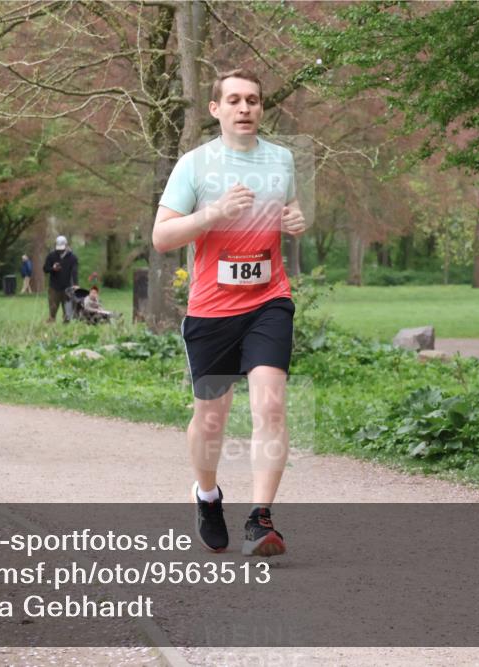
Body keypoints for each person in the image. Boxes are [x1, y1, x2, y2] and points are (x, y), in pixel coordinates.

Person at [151, 68, 307, 557]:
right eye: (235, 100)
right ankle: (208, 495)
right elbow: (162, 237)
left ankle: (260, 520)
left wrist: (296, 220)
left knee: (270, 405)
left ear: (262, 108)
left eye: (254, 101)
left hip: (269, 300)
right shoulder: (194, 165)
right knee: (211, 421)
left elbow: (289, 211)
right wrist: (213, 215)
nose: (245, 109)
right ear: (216, 109)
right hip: (212, 309)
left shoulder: (281, 160)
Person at [42, 235, 78, 323]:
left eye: (62, 248)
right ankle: (51, 322)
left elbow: (74, 271)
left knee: (67, 311)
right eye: (59, 248)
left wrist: (75, 284)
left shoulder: (72, 257)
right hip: (54, 287)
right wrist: (52, 268)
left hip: (67, 287)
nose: (60, 250)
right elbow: (45, 269)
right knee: (53, 308)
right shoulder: (51, 256)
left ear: (66, 245)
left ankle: (66, 326)